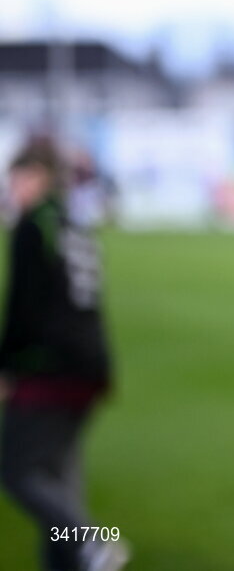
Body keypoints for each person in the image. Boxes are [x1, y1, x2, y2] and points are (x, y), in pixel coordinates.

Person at [0, 137, 127, 571]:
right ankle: (71, 561)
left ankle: (92, 542)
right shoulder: (73, 222)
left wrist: (7, 366)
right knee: (58, 474)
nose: (12, 187)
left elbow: (24, 305)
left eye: (16, 177)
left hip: (50, 368)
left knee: (16, 470)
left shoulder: (35, 224)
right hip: (91, 365)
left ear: (38, 177)